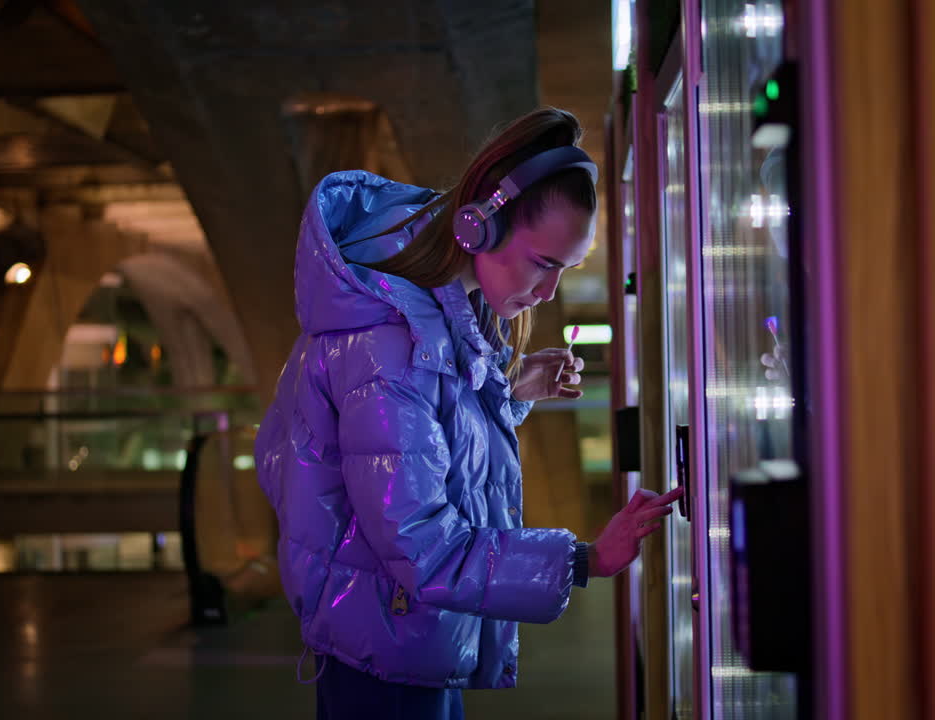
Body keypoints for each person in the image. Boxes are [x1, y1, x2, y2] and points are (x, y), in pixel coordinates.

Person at [254, 107, 683, 720]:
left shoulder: (429, 311)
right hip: (386, 651)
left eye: (565, 270)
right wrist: (584, 560)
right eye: (544, 263)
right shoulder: (390, 346)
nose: (548, 293)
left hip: (397, 631)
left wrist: (511, 393)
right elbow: (423, 546)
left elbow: (414, 450)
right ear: (478, 226)